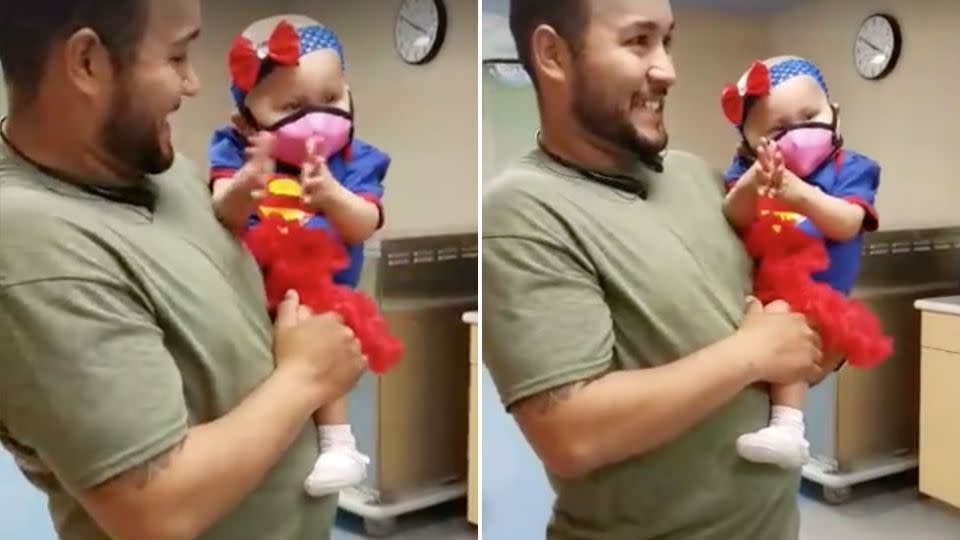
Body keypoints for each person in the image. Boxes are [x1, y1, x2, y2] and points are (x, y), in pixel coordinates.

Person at [0, 1, 365, 539]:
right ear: (86, 63)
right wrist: (307, 377)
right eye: (177, 56)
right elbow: (153, 509)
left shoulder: (158, 169)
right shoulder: (29, 242)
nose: (192, 83)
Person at [482, 1, 839, 539]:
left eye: (667, 41)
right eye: (638, 42)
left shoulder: (699, 177)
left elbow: (782, 334)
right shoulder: (523, 209)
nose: (668, 70)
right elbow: (570, 434)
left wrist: (818, 333)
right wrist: (752, 354)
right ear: (552, 54)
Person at [208, 15, 393, 497]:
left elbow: (365, 223)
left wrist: (331, 196)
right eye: (291, 105)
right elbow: (223, 210)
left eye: (332, 98)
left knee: (316, 338)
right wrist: (245, 187)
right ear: (244, 119)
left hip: (317, 291)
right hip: (247, 295)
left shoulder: (354, 160)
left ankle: (340, 444)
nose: (318, 116)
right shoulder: (234, 150)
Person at [720, 56, 888, 470]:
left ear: (833, 111)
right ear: (749, 141)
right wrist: (750, 185)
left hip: (820, 299)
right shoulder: (747, 170)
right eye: (778, 129)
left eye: (810, 115)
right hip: (762, 291)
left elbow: (849, 222)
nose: (798, 132)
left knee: (781, 318)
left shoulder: (849, 168)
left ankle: (790, 429)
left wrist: (801, 196)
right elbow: (731, 217)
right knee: (762, 316)